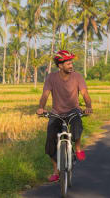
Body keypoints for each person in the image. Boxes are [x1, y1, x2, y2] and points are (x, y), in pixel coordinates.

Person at [36, 50, 93, 182]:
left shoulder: (77, 77)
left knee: (77, 124)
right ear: (60, 65)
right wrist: (41, 108)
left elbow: (85, 94)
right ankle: (55, 171)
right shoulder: (51, 77)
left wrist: (88, 107)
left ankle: (78, 148)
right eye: (68, 63)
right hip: (56, 112)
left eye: (71, 63)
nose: (71, 65)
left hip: (73, 110)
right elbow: (45, 95)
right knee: (50, 139)